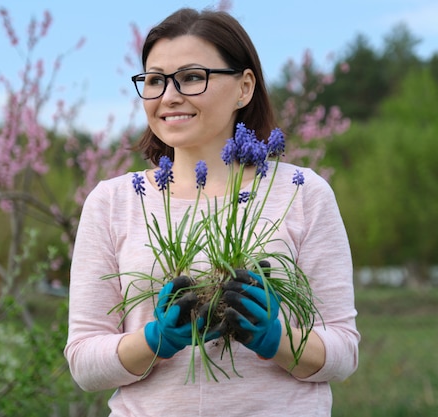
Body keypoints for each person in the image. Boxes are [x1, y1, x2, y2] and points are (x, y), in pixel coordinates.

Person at [64, 7, 359, 416]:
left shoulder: (303, 193)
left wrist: (276, 340)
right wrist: (155, 340)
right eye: (154, 80)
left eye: (191, 77)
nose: (169, 96)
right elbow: (84, 363)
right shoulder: (113, 202)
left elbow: (343, 352)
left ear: (244, 86)